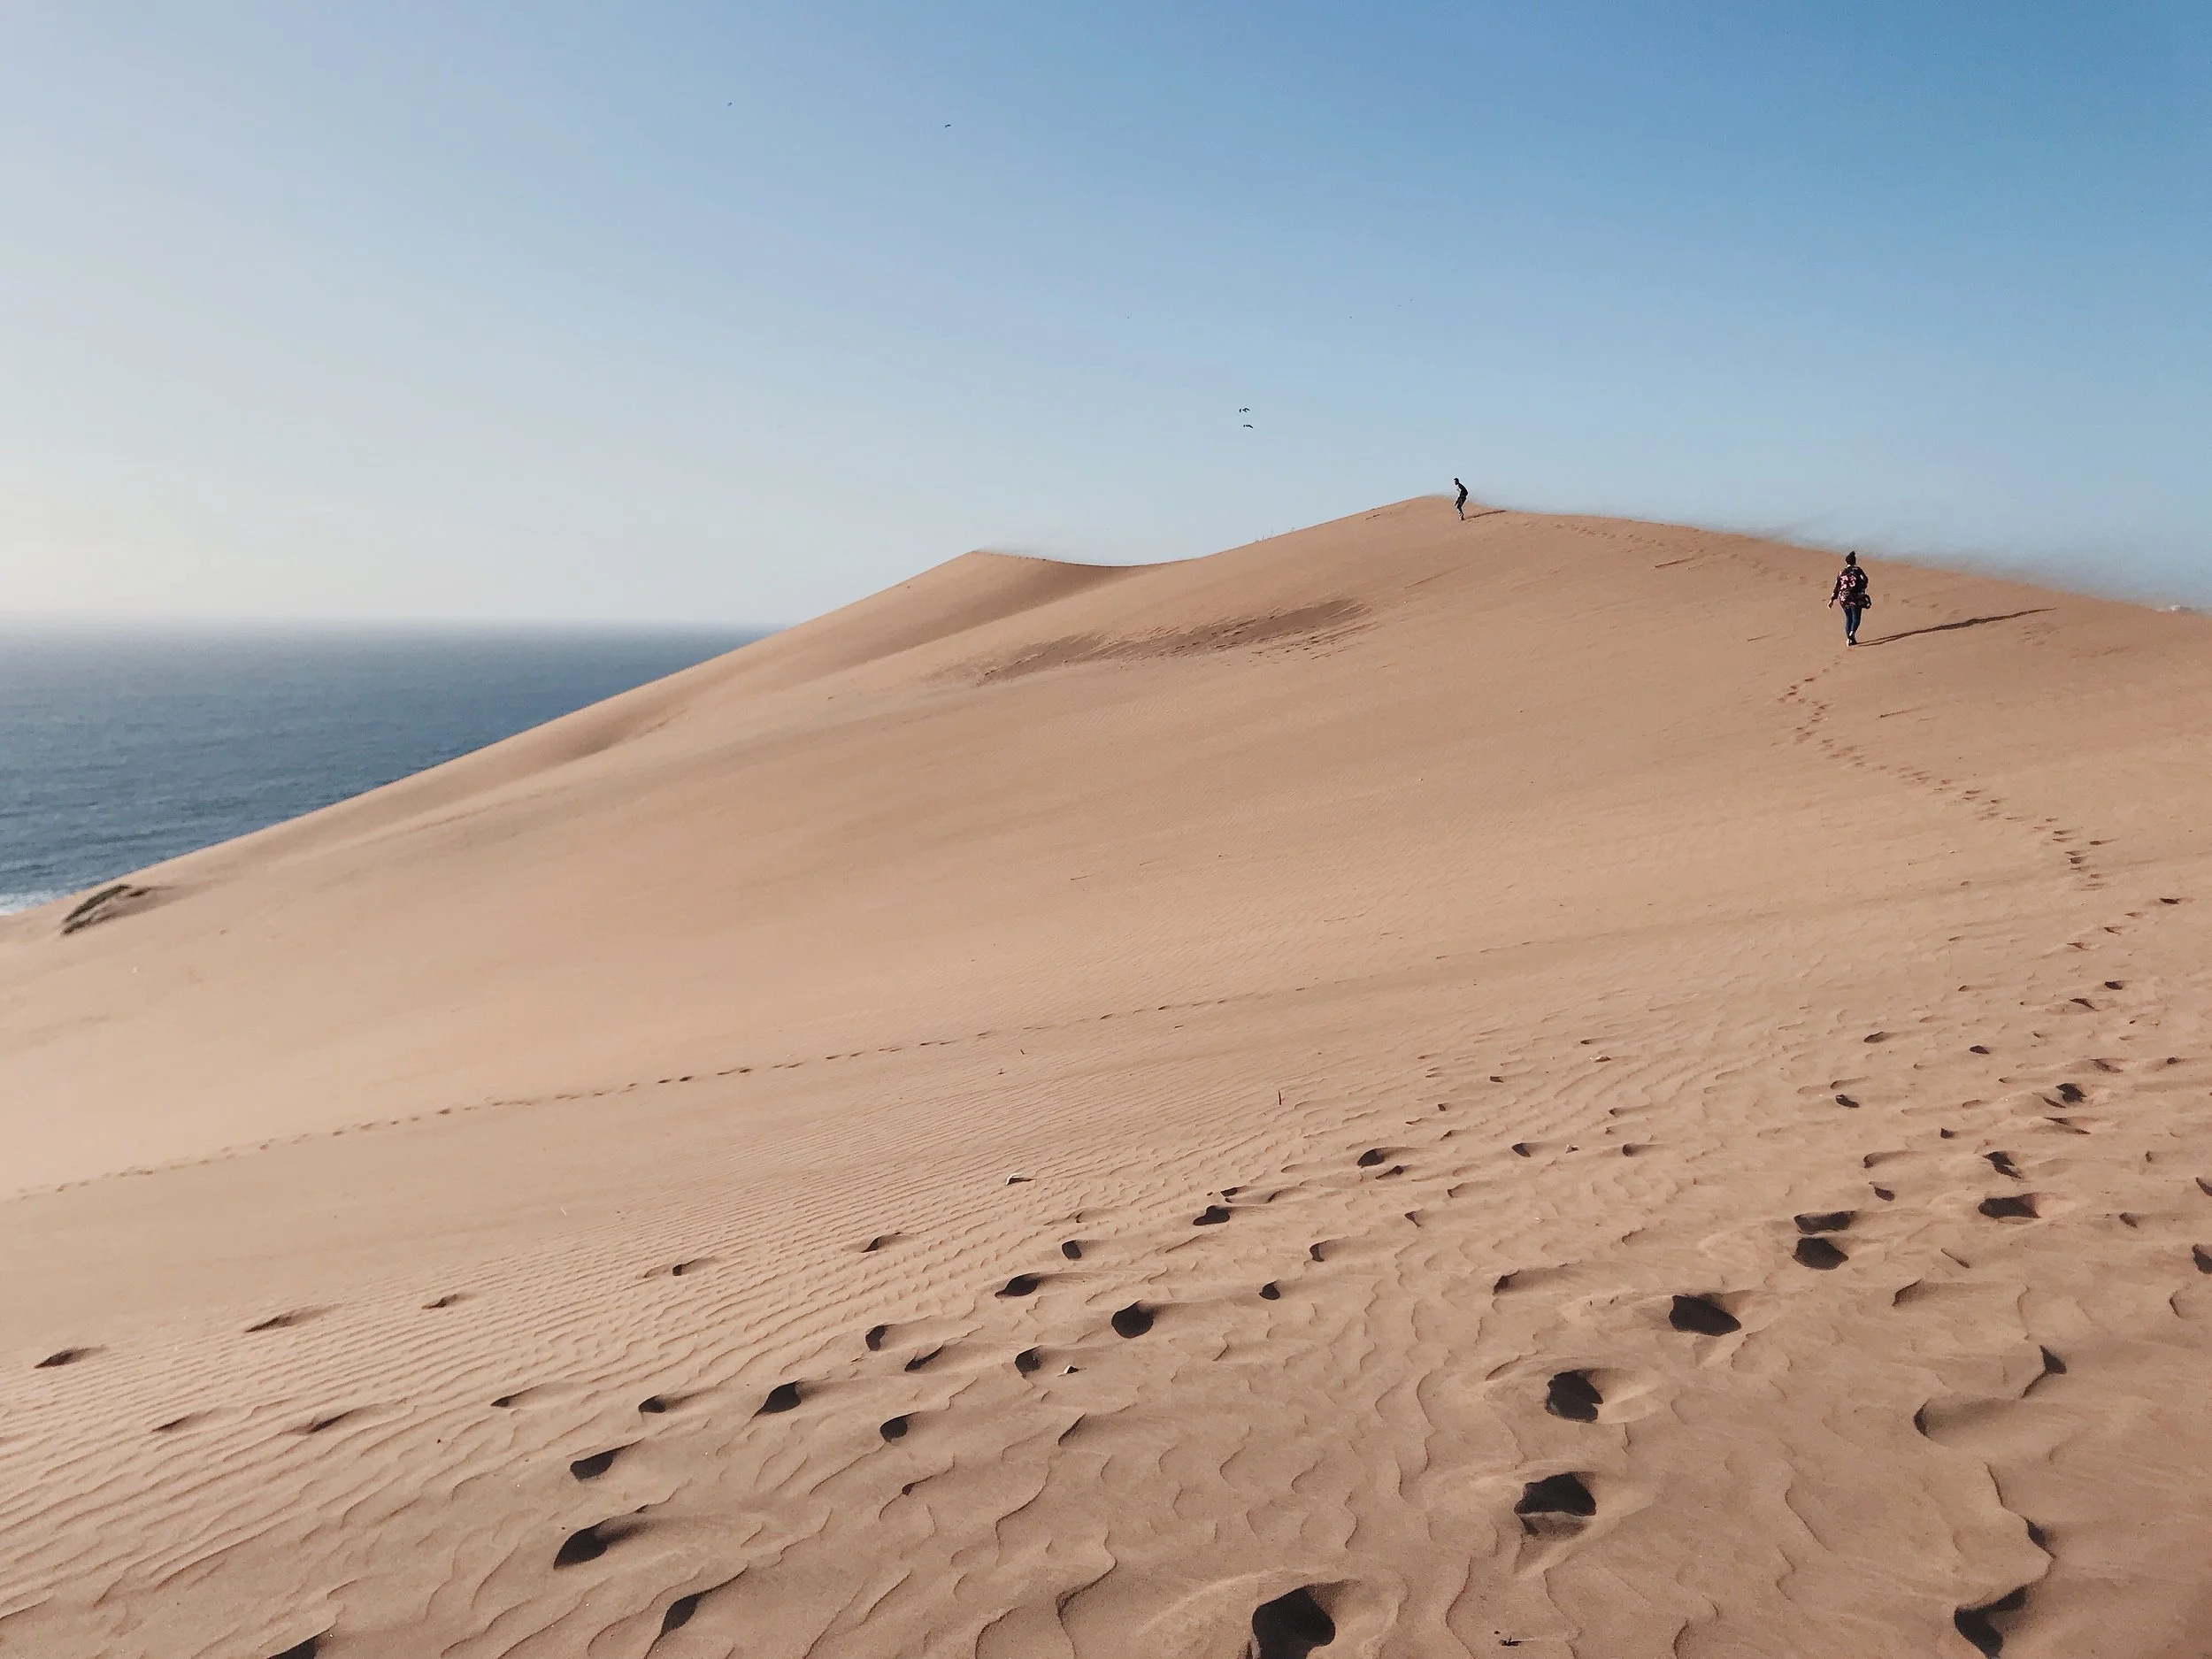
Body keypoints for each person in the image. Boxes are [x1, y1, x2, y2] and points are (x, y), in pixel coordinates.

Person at [1828, 551, 1870, 645]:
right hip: (1855, 596)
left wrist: (1832, 599)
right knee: (1856, 617)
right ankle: (1852, 633)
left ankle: (1850, 640)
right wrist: (1862, 587)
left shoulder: (1841, 572)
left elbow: (1837, 587)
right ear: (1854, 561)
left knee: (1848, 617)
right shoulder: (1857, 569)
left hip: (1843, 598)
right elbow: (1865, 580)